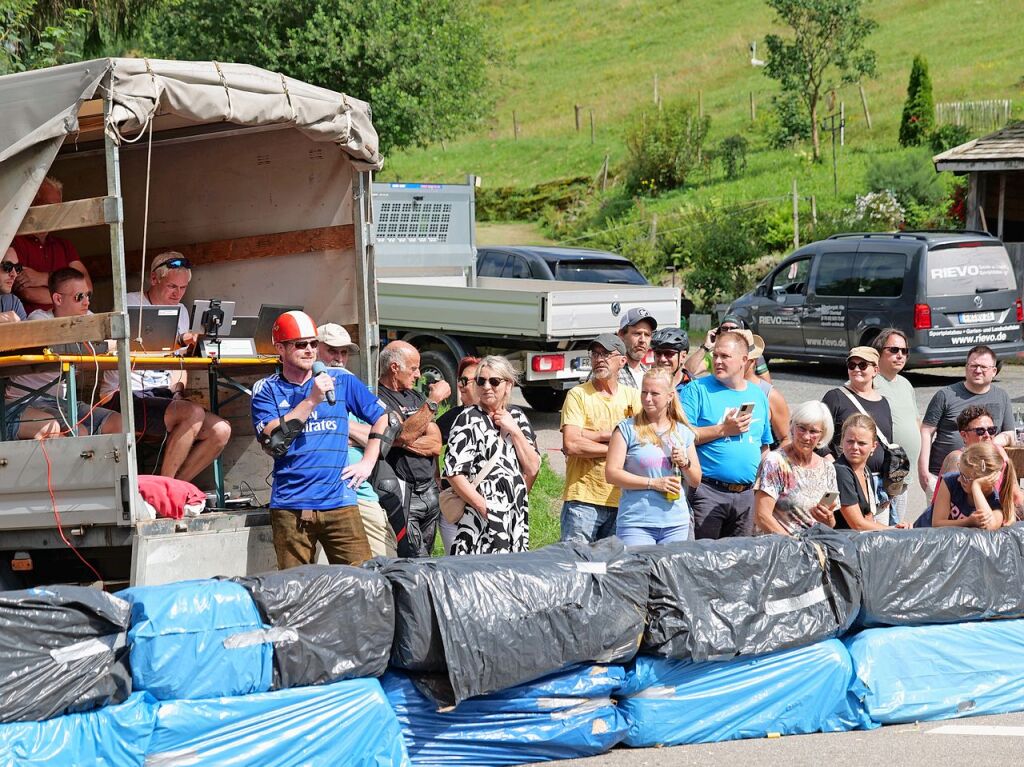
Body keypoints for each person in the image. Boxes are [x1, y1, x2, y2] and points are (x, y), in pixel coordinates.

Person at [251, 310, 388, 568]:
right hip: (291, 506)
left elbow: (383, 418)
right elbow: (274, 444)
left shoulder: (342, 380)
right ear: (280, 348)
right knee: (296, 590)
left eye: (314, 344)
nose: (309, 350)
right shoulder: (266, 389)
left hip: (340, 503)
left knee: (362, 583)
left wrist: (368, 463)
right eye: (300, 345)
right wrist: (312, 400)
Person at [101, 251, 231, 482]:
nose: (178, 294)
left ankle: (175, 487)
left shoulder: (180, 310)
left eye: (183, 288)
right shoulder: (129, 303)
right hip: (123, 394)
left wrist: (179, 388)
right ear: (154, 279)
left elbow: (180, 362)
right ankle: (165, 487)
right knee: (192, 413)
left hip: (162, 395)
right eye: (172, 286)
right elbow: (129, 346)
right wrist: (180, 341)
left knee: (221, 430)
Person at [5, 268, 122, 439]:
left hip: (60, 402)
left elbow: (113, 341)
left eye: (88, 295)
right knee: (78, 432)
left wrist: (105, 344)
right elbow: (56, 346)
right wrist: (100, 345)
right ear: (58, 299)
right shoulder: (39, 319)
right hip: (24, 401)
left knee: (119, 423)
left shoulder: (87, 316)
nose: (86, 302)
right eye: (79, 297)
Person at [680, 330, 773, 539]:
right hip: (708, 491)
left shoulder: (758, 394)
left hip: (747, 495)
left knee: (739, 563)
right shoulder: (697, 389)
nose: (718, 361)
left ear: (744, 360)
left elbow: (764, 445)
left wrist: (761, 486)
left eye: (725, 356)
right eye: (715, 355)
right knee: (704, 559)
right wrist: (723, 430)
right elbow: (682, 436)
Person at [315, 323, 397, 558]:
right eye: (332, 351)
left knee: (386, 561)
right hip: (312, 492)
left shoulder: (351, 384)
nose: (339, 359)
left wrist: (338, 428)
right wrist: (356, 434)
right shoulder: (303, 389)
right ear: (315, 349)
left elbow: (386, 433)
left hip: (356, 489)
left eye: (344, 352)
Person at [443, 355, 540, 554]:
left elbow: (532, 467)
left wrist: (514, 430)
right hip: (479, 517)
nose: (487, 386)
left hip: (514, 517)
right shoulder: (467, 418)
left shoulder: (518, 417)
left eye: (494, 381)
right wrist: (484, 508)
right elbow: (454, 472)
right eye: (481, 381)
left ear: (508, 384)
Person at [560, 333, 643, 543]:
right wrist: (616, 449)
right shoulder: (578, 395)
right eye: (595, 354)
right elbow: (571, 444)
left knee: (612, 569)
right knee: (575, 565)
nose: (599, 359)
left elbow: (643, 441)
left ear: (622, 361)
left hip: (623, 500)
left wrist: (590, 436)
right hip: (583, 500)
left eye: (606, 354)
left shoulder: (633, 396)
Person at [605, 368, 701, 545]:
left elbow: (696, 481)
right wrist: (653, 483)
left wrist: (685, 463)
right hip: (637, 523)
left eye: (654, 393)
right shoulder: (627, 429)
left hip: (675, 523)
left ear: (670, 396)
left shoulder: (682, 432)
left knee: (670, 573)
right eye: (644, 392)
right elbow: (611, 474)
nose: (647, 399)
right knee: (638, 573)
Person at [377, 340, 450, 556]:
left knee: (426, 555)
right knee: (414, 561)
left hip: (429, 490)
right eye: (413, 368)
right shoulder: (379, 398)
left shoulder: (416, 397)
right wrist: (433, 401)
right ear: (394, 368)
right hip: (404, 494)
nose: (418, 374)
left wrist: (400, 439)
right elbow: (405, 433)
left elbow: (436, 443)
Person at [919, 345, 1014, 496]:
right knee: (941, 518)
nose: (977, 370)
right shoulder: (945, 395)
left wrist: (991, 442)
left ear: (994, 371)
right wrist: (924, 473)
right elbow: (926, 431)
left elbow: (1010, 433)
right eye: (973, 365)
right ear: (966, 367)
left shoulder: (1002, 396)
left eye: (983, 367)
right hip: (945, 476)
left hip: (986, 479)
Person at [819, 348, 895, 517]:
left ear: (875, 370)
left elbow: (888, 443)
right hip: (848, 479)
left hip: (878, 483)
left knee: (879, 536)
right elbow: (819, 435)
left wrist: (889, 482)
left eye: (862, 365)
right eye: (852, 365)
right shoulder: (835, 397)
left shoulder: (884, 403)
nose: (856, 369)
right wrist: (833, 462)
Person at [753, 400, 838, 536]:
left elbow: (830, 524)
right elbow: (761, 516)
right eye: (802, 428)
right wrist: (795, 546)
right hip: (778, 548)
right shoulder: (775, 462)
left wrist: (829, 520)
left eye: (813, 431)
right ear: (792, 426)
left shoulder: (828, 468)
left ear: (823, 434)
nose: (806, 436)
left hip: (814, 548)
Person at [12, 176, 92, 313]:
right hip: (34, 327)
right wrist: (72, 296)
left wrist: (44, 278)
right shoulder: (15, 243)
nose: (55, 214)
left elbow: (88, 287)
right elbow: (27, 293)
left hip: (70, 324)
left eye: (58, 208)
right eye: (49, 207)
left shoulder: (64, 246)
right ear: (32, 205)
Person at [871, 329, 919, 526]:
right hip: (883, 474)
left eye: (904, 351)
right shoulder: (870, 381)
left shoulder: (906, 384)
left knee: (897, 529)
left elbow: (915, 421)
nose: (900, 355)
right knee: (881, 529)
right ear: (879, 351)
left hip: (903, 474)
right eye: (894, 349)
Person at [434, 356, 481, 552]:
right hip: (456, 506)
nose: (460, 386)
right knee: (457, 567)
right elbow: (430, 440)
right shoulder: (454, 416)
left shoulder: (504, 417)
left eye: (465, 381)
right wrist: (436, 474)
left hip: (489, 506)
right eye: (459, 380)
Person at [834, 414, 906, 531]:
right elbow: (857, 524)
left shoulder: (866, 471)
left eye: (861, 443)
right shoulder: (841, 471)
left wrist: (895, 528)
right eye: (850, 441)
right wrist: (894, 531)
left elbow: (868, 520)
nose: (854, 447)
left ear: (873, 446)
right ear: (842, 442)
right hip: (841, 544)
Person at [929, 442, 1017, 530]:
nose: (959, 479)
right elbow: (937, 523)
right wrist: (968, 522)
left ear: (986, 482)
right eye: (960, 473)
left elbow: (989, 526)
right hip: (926, 538)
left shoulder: (995, 504)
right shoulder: (950, 482)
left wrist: (976, 487)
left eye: (965, 477)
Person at [684, 314, 771, 382]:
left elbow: (767, 386)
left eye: (733, 328)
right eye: (724, 328)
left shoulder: (754, 353)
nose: (729, 332)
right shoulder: (714, 355)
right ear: (718, 331)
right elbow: (687, 371)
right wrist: (705, 347)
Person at [745, 332, 789, 448]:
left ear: (751, 360)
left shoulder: (769, 394)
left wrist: (772, 462)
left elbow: (786, 439)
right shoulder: (714, 388)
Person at [938, 405, 1001, 476]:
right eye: (980, 431)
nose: (987, 435)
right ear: (964, 435)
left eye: (991, 430)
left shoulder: (998, 456)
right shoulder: (958, 459)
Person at [615, 307, 656, 388]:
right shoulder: (611, 372)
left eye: (647, 335)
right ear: (621, 335)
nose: (642, 340)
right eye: (637, 333)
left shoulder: (648, 373)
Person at [649, 326, 692, 394]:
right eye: (658, 353)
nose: (662, 359)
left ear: (683, 356)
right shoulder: (645, 384)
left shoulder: (694, 388)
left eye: (669, 353)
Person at [0, 247, 27, 322]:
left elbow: (25, 332)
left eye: (17, 268)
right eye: (7, 266)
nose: (14, 274)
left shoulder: (13, 302)